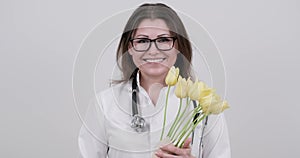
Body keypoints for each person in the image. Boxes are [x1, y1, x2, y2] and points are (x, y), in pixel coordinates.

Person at [78, 3, 231, 158]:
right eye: (142, 41)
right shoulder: (104, 104)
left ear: (178, 46)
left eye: (164, 40)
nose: (152, 50)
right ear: (129, 48)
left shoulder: (205, 107)